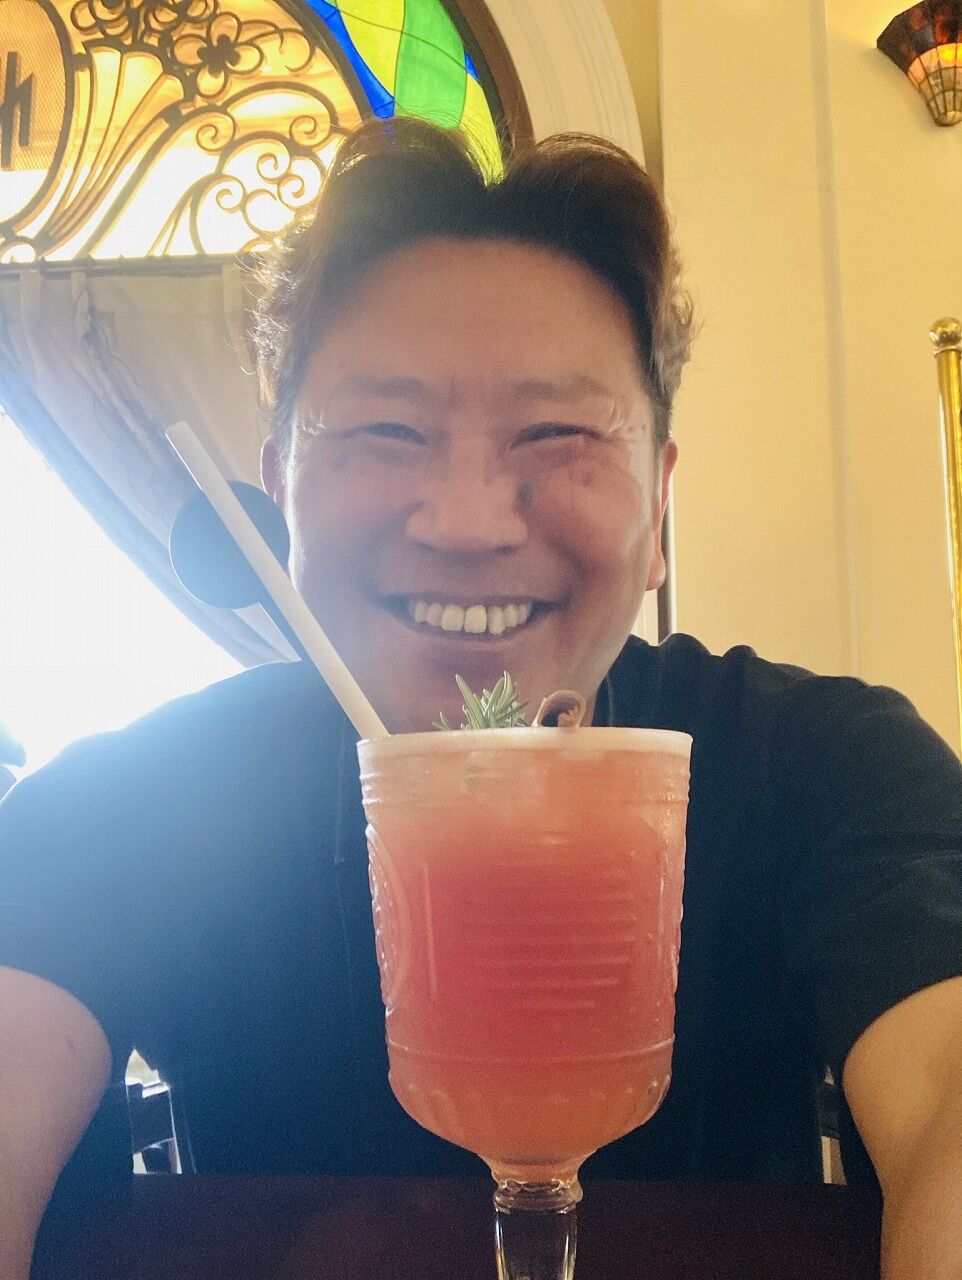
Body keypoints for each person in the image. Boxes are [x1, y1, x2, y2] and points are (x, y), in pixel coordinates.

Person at [1, 116, 961, 1280]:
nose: (464, 522)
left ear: (658, 508)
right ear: (282, 490)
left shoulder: (822, 764)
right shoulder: (141, 800)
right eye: (384, 430)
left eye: (556, 432)